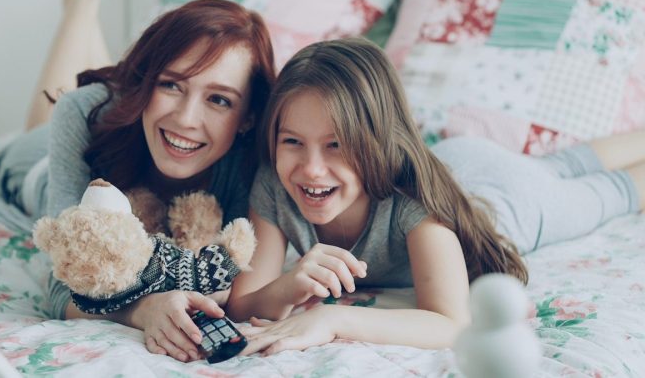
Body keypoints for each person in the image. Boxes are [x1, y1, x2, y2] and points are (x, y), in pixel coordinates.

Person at [0, 0, 277, 362]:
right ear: (150, 81)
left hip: (126, 109)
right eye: (171, 84)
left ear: (247, 117)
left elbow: (240, 286)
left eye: (218, 99)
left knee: (112, 93)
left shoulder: (254, 160)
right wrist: (143, 309)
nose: (186, 118)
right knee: (66, 103)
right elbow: (61, 281)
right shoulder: (84, 114)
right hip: (34, 163)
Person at [226, 37, 644, 352]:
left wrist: (333, 319)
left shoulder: (414, 200)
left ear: (378, 142)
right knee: (562, 163)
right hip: (458, 160)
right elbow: (243, 305)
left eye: (335, 144)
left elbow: (452, 323)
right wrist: (289, 285)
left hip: (513, 197)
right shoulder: (275, 182)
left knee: (615, 191)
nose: (311, 168)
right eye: (292, 141)